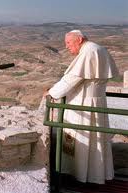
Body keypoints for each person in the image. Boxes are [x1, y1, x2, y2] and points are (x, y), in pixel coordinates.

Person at [44, 30, 119, 184]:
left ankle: (78, 176)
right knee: (95, 140)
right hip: (96, 102)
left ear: (79, 40)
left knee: (80, 140)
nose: (66, 46)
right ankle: (94, 175)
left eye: (68, 43)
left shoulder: (88, 51)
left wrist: (51, 92)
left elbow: (71, 79)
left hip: (83, 104)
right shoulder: (98, 49)